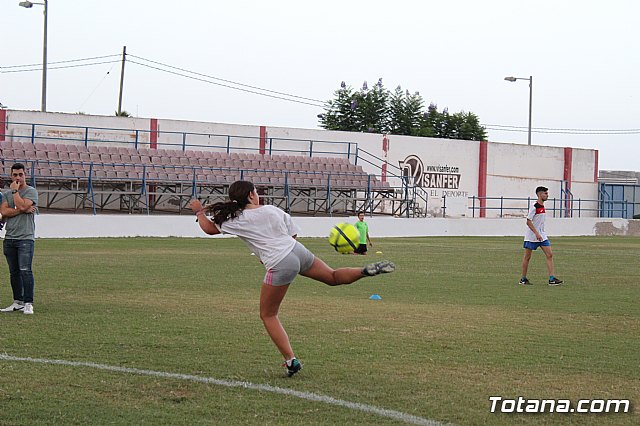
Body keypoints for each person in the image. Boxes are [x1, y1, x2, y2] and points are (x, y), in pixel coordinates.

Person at [189, 180, 395, 377]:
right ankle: (363, 271)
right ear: (252, 194)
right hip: (296, 250)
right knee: (332, 277)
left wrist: (199, 211)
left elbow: (208, 228)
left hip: (280, 263)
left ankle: (290, 360)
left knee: (268, 315)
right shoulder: (271, 210)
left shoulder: (236, 218)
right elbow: (292, 234)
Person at [0, 163, 39, 315]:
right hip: (10, 238)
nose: (18, 177)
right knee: (14, 272)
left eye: (20, 175)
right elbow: (4, 211)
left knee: (25, 271)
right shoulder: (7, 194)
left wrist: (16, 192)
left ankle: (28, 303)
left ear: (25, 175)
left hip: (25, 238)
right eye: (15, 175)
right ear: (11, 176)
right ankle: (18, 302)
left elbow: (22, 206)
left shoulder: (31, 191)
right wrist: (21, 209)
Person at [519, 186, 563, 286]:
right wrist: (536, 233)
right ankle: (523, 279)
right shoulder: (534, 206)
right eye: (545, 193)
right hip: (532, 236)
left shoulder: (542, 206)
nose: (547, 195)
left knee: (549, 254)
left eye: (547, 193)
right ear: (539, 194)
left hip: (542, 236)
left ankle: (552, 279)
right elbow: (528, 221)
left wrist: (540, 234)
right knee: (527, 257)